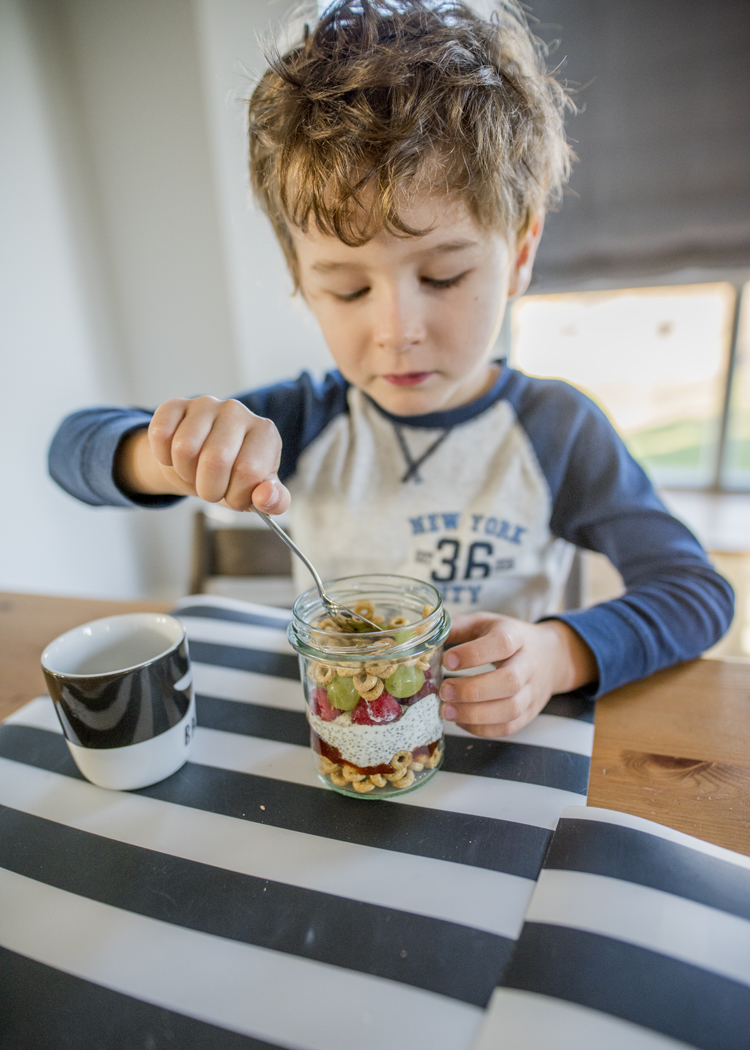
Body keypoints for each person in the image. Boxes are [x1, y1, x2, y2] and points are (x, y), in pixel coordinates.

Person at [49, 0, 733, 738]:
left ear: (521, 253)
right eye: (348, 289)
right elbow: (70, 450)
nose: (396, 333)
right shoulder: (303, 419)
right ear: (300, 278)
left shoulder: (558, 430)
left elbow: (696, 594)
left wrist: (558, 653)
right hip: (345, 731)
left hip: (497, 747)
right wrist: (171, 455)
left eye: (442, 277)